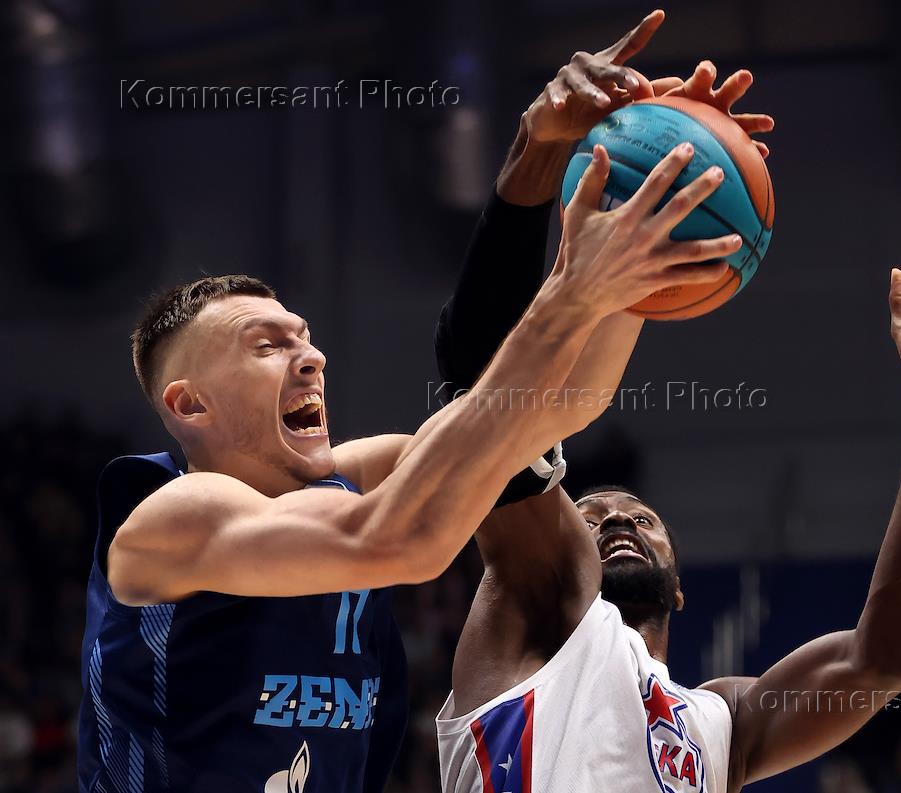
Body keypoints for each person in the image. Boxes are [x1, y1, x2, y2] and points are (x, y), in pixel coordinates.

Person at [75, 36, 744, 790]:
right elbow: (405, 538)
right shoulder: (174, 517)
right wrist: (573, 292)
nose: (310, 357)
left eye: (305, 336)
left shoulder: (359, 474)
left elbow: (544, 412)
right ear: (189, 404)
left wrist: (628, 229)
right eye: (266, 345)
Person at [431, 13, 901, 790]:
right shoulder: (532, 606)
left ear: (683, 585)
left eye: (640, 517)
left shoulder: (722, 722)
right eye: (591, 515)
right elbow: (479, 377)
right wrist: (538, 146)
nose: (617, 519)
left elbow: (879, 658)